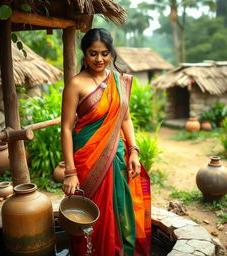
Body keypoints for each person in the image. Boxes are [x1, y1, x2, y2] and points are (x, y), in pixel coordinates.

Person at [61, 28, 151, 256]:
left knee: (118, 206)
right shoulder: (76, 84)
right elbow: (66, 128)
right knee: (87, 212)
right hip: (86, 158)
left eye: (104, 53)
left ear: (111, 53)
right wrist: (70, 171)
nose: (99, 59)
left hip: (117, 154)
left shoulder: (120, 81)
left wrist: (133, 150)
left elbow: (126, 118)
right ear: (84, 53)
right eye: (93, 53)